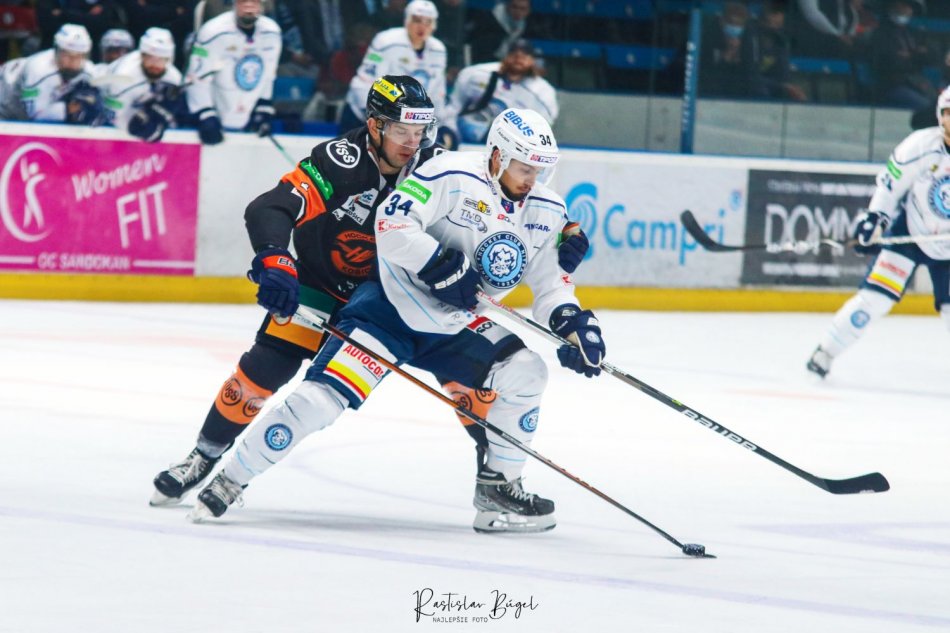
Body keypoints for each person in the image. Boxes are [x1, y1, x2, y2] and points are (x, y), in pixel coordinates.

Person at [188, 107, 605, 535]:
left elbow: (552, 286)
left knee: (527, 371)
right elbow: (391, 223)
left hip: (455, 324)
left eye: (541, 170)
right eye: (524, 168)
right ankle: (229, 480)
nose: (533, 180)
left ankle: (499, 488)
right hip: (389, 309)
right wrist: (436, 263)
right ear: (498, 156)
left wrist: (573, 325)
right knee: (318, 402)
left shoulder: (548, 210)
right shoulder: (450, 174)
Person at [807, 87, 950, 378]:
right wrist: (875, 219)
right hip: (910, 233)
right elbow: (889, 187)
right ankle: (825, 352)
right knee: (874, 299)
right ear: (940, 115)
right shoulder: (920, 146)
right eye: (949, 113)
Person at [339, 0, 447, 134]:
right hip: (363, 113)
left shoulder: (438, 50)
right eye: (417, 20)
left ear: (434, 25)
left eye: (428, 22)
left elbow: (437, 91)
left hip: (403, 122)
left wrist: (437, 123)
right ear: (407, 20)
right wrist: (386, 111)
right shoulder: (385, 41)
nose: (422, 26)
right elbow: (368, 80)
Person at [185, 0, 282, 145]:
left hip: (246, 117)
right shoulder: (212, 32)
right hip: (214, 115)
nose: (249, 5)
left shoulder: (272, 33)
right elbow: (196, 77)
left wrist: (263, 107)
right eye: (243, 1)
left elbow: (268, 74)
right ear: (235, 3)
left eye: (254, 1)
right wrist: (205, 114)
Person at [442, 37, 557, 145]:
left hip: (511, 146)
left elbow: (543, 128)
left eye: (524, 56)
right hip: (465, 140)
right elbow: (453, 108)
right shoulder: (475, 74)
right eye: (514, 54)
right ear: (506, 56)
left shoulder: (543, 92)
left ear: (532, 60)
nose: (518, 59)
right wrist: (450, 134)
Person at [0, 23, 103, 125]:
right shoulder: (38, 69)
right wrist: (68, 108)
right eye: (67, 55)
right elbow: (36, 114)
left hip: (24, 107)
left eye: (78, 56)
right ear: (57, 51)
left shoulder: (89, 71)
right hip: (4, 102)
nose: (73, 62)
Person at [102, 27, 183, 143]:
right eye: (150, 58)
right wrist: (136, 126)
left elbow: (175, 118)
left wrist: (162, 120)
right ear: (142, 56)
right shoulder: (123, 77)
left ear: (169, 59)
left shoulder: (174, 79)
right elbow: (112, 116)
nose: (155, 65)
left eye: (161, 59)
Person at [869, 0, 934, 111]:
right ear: (891, 7)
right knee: (927, 107)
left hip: (915, 83)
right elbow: (887, 61)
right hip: (891, 86)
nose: (906, 10)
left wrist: (911, 56)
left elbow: (931, 56)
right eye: (902, 5)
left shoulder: (913, 33)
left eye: (908, 7)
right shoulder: (880, 33)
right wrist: (914, 56)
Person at [741, 0, 807, 102]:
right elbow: (751, 75)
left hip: (769, 85)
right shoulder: (751, 33)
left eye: (780, 13)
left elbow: (784, 75)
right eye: (774, 13)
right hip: (744, 84)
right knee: (759, 89)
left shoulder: (781, 39)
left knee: (794, 95)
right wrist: (782, 86)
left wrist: (789, 88)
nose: (778, 18)